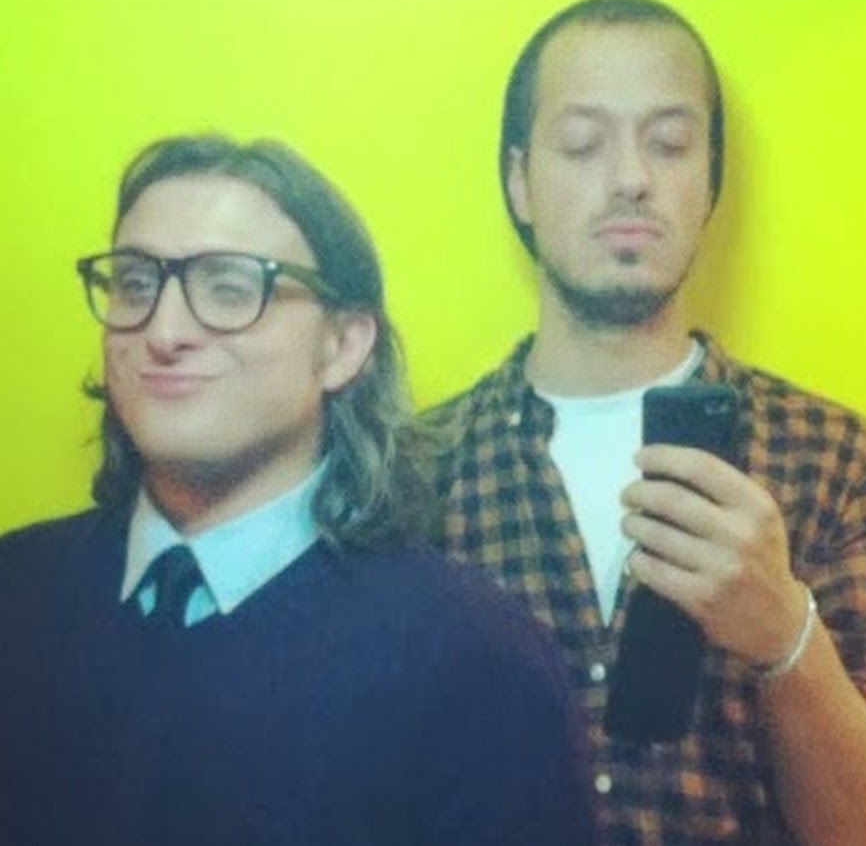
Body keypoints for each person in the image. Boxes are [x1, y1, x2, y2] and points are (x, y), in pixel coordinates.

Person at [0, 135, 594, 846]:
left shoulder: (474, 658)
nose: (163, 330)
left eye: (229, 288)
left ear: (342, 346)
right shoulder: (16, 588)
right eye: (134, 284)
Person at [426, 0, 866, 845]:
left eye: (670, 143)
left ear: (710, 179)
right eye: (582, 144)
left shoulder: (833, 460)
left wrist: (784, 633)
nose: (630, 178)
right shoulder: (417, 471)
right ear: (519, 181)